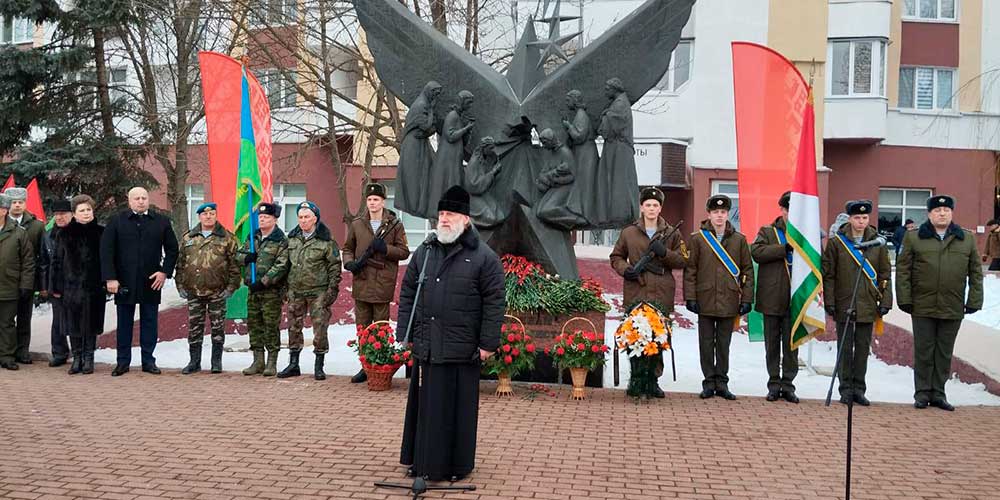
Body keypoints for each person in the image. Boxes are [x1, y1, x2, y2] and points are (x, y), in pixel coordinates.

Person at [399, 185, 505, 482]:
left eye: (451, 214)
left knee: (455, 411)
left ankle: (456, 467)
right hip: (427, 346)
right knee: (424, 408)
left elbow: (495, 301)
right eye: (442, 214)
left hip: (462, 349)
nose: (444, 219)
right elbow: (408, 292)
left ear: (466, 219)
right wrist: (405, 332)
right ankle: (420, 461)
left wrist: (488, 343)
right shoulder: (425, 251)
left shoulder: (484, 257)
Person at [896, 195, 983, 411]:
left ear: (952, 213)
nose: (942, 214)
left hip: (952, 304)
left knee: (944, 352)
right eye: (937, 210)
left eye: (946, 210)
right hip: (922, 305)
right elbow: (903, 270)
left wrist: (974, 300)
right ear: (929, 214)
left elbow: (975, 272)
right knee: (924, 351)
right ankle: (922, 393)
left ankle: (938, 393)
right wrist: (905, 299)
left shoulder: (966, 239)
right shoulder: (914, 237)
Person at [609, 187, 687, 398]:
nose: (652, 208)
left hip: (661, 290)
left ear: (660, 208)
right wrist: (626, 270)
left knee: (658, 336)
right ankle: (636, 379)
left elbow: (683, 260)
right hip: (637, 289)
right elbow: (616, 257)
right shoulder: (629, 232)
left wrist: (665, 253)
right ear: (642, 207)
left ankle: (653, 381)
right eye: (648, 205)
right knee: (635, 335)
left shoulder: (672, 232)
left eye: (655, 205)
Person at [100, 186, 179, 376]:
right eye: (137, 198)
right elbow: (106, 251)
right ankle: (122, 362)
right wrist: (110, 278)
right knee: (124, 323)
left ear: (148, 200)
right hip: (124, 281)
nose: (141, 201)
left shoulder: (161, 221)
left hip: (151, 280)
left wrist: (164, 272)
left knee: (149, 322)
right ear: (129, 201)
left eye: (144, 197)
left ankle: (148, 361)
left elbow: (172, 249)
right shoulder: (117, 221)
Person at [821, 200, 892, 406]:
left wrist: (886, 300)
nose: (861, 221)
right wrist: (830, 301)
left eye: (864, 217)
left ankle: (859, 389)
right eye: (857, 217)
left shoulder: (878, 243)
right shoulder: (837, 243)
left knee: (862, 350)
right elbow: (829, 275)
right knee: (845, 349)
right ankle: (845, 389)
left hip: (868, 302)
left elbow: (885, 274)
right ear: (850, 219)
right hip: (844, 302)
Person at [683, 194, 753, 401]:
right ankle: (708, 382)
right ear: (709, 214)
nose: (719, 216)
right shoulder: (698, 239)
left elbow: (747, 271)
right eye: (715, 212)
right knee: (706, 344)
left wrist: (747, 299)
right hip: (704, 298)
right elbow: (690, 270)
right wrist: (690, 297)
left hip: (729, 299)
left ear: (728, 214)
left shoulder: (739, 240)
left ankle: (722, 383)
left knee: (723, 344)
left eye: (723, 212)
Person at [343, 183, 409, 383]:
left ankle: (379, 364)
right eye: (370, 200)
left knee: (380, 327)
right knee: (362, 327)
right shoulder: (357, 224)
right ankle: (365, 366)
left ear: (383, 202)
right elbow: (348, 248)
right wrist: (349, 262)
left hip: (382, 283)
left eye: (376, 200)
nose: (372, 203)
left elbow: (404, 252)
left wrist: (385, 248)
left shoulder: (394, 225)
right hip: (362, 280)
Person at [175, 203, 241, 375]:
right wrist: (180, 285)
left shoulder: (227, 238)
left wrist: (231, 288)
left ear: (216, 215)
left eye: (212, 213)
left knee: (218, 328)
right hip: (194, 291)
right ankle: (194, 362)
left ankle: (216, 362)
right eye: (205, 214)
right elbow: (180, 264)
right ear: (199, 217)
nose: (208, 216)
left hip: (217, 292)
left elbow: (235, 266)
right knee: (194, 328)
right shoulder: (188, 237)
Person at [279, 201, 342, 380]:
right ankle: (293, 364)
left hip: (318, 293)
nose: (303, 220)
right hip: (295, 291)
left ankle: (319, 365)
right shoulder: (291, 240)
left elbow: (334, 268)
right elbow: (285, 265)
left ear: (315, 219)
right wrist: (285, 288)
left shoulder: (326, 241)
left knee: (320, 330)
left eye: (307, 217)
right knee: (293, 328)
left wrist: (331, 291)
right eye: (300, 217)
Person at [750, 191, 799, 403]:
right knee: (772, 345)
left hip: (796, 298)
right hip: (771, 297)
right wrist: (783, 249)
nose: (791, 214)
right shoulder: (768, 231)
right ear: (782, 210)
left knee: (791, 345)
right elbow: (757, 252)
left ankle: (788, 385)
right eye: (788, 210)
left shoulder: (805, 235)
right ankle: (773, 383)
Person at [51, 195, 106, 375]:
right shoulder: (64, 234)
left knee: (91, 323)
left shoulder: (101, 232)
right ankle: (77, 357)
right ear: (74, 214)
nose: (86, 213)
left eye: (89, 210)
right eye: (82, 210)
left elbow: (108, 260)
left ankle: (89, 358)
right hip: (71, 287)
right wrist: (56, 286)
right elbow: (57, 262)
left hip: (94, 287)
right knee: (72, 323)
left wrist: (107, 281)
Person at [237, 203, 289, 377]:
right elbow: (238, 255)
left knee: (270, 326)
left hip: (271, 292)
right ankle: (257, 361)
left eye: (266, 217)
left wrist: (264, 282)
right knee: (254, 325)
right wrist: (246, 258)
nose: (262, 220)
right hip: (253, 290)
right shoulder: (253, 237)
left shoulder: (281, 240)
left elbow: (281, 265)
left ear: (274, 219)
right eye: (260, 217)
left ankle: (271, 362)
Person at [4, 187, 44, 364]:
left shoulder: (36, 226)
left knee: (24, 317)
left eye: (21, 202)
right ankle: (7, 351)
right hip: (6, 280)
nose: (17, 205)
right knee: (5, 320)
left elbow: (41, 255)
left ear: (25, 203)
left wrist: (38, 283)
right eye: (14, 202)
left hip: (27, 278)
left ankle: (22, 351)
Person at [0, 194, 34, 370]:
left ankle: (6, 356)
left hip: (9, 285)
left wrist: (26, 285)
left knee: (7, 323)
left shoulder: (18, 232)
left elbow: (28, 261)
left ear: (4, 211)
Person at [38, 200, 74, 367]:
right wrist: (44, 286)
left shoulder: (79, 232)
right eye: (56, 214)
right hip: (56, 285)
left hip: (76, 285)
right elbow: (43, 263)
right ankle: (59, 353)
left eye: (63, 214)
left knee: (78, 320)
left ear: (71, 214)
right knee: (58, 321)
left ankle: (80, 353)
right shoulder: (48, 235)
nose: (59, 217)